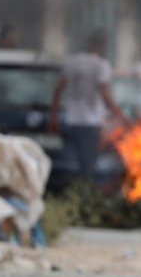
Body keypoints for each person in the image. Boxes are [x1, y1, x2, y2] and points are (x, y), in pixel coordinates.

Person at [49, 28, 128, 183]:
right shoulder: (101, 65)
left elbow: (58, 91)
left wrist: (54, 117)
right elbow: (106, 97)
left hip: (70, 120)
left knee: (71, 162)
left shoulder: (71, 61)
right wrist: (122, 118)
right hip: (90, 123)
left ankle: (71, 193)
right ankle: (83, 196)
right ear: (103, 44)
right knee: (88, 166)